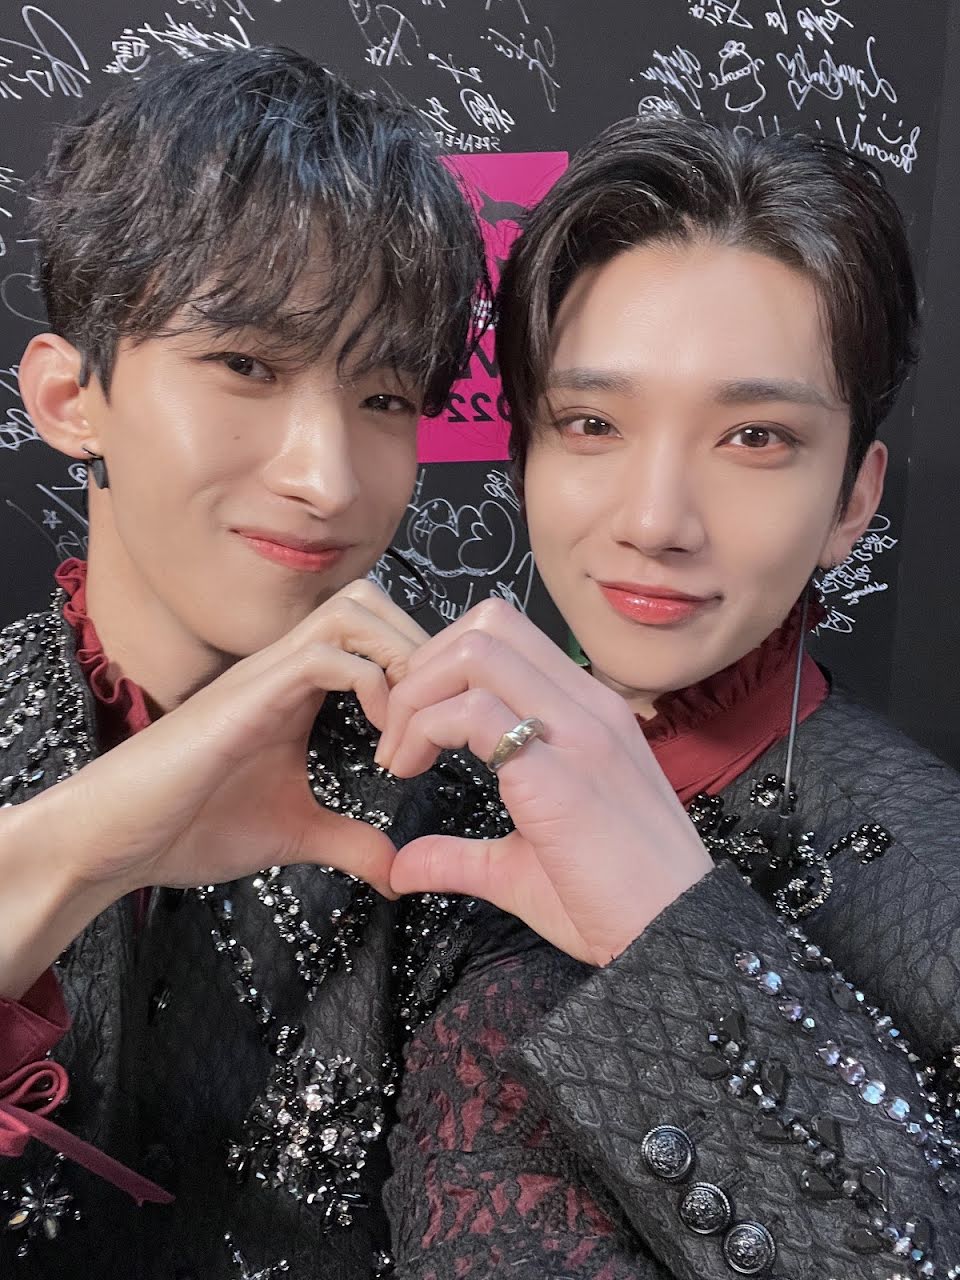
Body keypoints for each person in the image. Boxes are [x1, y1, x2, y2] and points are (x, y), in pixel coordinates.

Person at [375, 118, 960, 1278]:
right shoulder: (420, 778)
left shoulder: (939, 883)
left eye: (755, 435)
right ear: (525, 452)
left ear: (852, 500)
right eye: (592, 423)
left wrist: (673, 934)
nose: (654, 520)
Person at [0, 47, 510, 1278]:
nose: (326, 479)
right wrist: (65, 852)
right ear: (71, 398)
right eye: (246, 364)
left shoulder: (457, 791)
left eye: (385, 397)